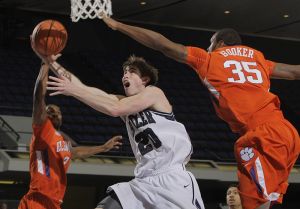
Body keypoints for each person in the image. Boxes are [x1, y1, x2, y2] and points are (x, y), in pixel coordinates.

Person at [101, 17, 300, 209]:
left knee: (251, 204)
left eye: (210, 43)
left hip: (262, 136)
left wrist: (119, 26)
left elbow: (163, 44)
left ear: (220, 43)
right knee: (265, 201)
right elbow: (294, 72)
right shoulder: (259, 59)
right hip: (286, 132)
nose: (207, 47)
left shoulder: (210, 59)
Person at [44, 54, 205, 209]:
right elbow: (81, 88)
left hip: (172, 180)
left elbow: (115, 109)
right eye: (124, 72)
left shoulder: (154, 93)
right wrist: (50, 61)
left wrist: (74, 91)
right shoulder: (123, 102)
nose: (125, 75)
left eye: (132, 71)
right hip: (143, 181)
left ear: (145, 79)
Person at [18, 46, 122, 209]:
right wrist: (45, 64)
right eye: (48, 110)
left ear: (61, 116)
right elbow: (39, 96)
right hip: (37, 200)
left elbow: (75, 152)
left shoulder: (62, 141)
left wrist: (103, 147)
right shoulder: (42, 130)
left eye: (56, 110)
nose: (52, 110)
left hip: (54, 202)